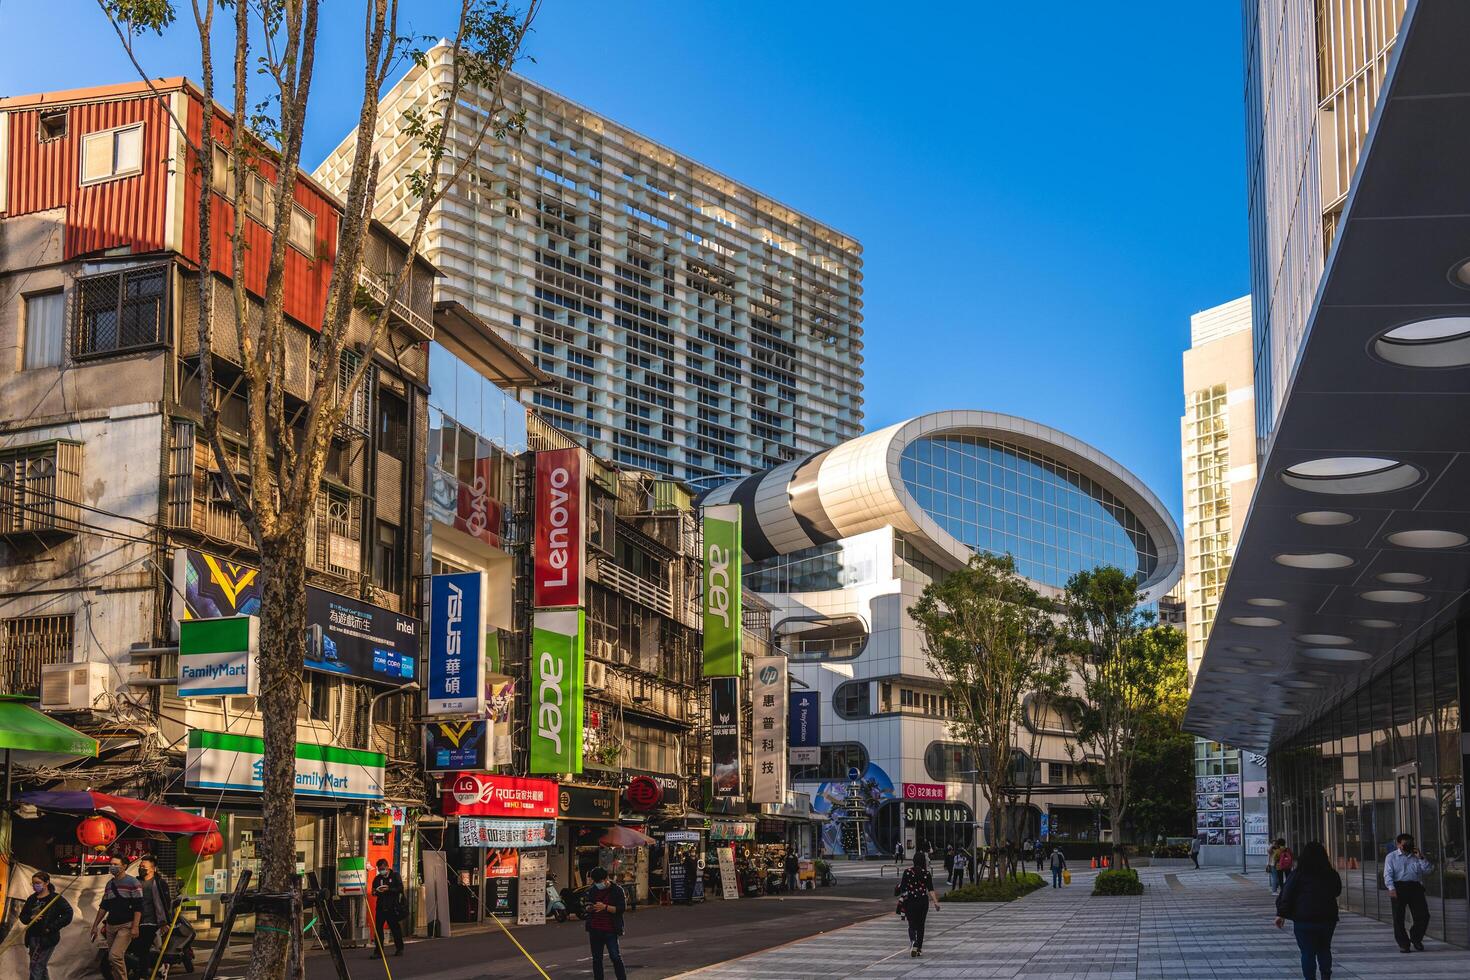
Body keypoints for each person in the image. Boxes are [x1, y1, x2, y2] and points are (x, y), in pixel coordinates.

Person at [1274, 841, 1341, 980]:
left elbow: (1286, 894)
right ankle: (1326, 976)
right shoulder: (1331, 874)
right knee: (1324, 949)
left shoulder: (1297, 874)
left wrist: (1281, 914)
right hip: (1327, 918)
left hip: (1304, 919)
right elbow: (1337, 891)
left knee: (1307, 952)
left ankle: (1310, 978)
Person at [91, 856, 142, 980]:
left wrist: (135, 926)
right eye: (111, 864)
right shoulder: (110, 884)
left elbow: (138, 907)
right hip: (111, 925)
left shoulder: (133, 882)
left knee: (115, 956)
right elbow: (104, 906)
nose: (112, 866)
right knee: (112, 959)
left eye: (115, 864)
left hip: (126, 925)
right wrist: (95, 926)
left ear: (124, 866)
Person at [19, 870, 73, 980]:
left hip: (47, 938)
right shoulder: (32, 899)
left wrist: (51, 928)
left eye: (38, 883)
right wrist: (31, 918)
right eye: (33, 883)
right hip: (32, 937)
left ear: (46, 882)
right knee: (40, 966)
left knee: (36, 966)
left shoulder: (55, 899)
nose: (35, 886)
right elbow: (22, 916)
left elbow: (68, 913)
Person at [1384, 832, 1433, 953]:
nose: (1408, 846)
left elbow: (1428, 870)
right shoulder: (1391, 857)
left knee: (1423, 915)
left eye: (1410, 843)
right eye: (1405, 844)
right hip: (1398, 887)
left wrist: (1421, 857)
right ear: (1398, 844)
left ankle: (1416, 938)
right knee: (1398, 917)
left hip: (1415, 887)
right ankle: (1404, 944)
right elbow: (1388, 874)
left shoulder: (1416, 856)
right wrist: (1391, 888)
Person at [130, 855, 172, 972]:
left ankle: (143, 974)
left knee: (143, 948)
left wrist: (164, 922)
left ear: (153, 868)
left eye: (144, 866)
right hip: (136, 921)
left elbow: (165, 904)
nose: (141, 868)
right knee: (137, 949)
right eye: (140, 866)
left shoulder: (159, 883)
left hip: (151, 921)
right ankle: (157, 966)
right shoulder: (135, 882)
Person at [585, 866, 628, 980]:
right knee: (596, 959)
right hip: (595, 929)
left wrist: (605, 907)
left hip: (610, 929)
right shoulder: (593, 890)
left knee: (615, 956)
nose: (598, 884)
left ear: (606, 879)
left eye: (599, 881)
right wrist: (590, 908)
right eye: (596, 882)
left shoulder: (617, 890)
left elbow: (621, 909)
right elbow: (587, 906)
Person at [894, 852, 940, 957]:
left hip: (910, 901)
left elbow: (903, 888)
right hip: (923, 902)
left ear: (914, 861)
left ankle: (913, 942)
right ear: (923, 861)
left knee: (911, 925)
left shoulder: (907, 872)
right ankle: (919, 948)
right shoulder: (926, 874)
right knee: (921, 925)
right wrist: (936, 902)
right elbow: (931, 889)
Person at [369, 858, 405, 958]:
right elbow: (373, 890)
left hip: (392, 907)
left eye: (382, 868)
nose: (381, 871)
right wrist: (375, 892)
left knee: (395, 928)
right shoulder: (377, 879)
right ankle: (378, 951)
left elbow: (400, 888)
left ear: (387, 867)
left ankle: (399, 948)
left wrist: (389, 889)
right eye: (379, 869)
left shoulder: (395, 876)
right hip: (381, 907)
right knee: (378, 929)